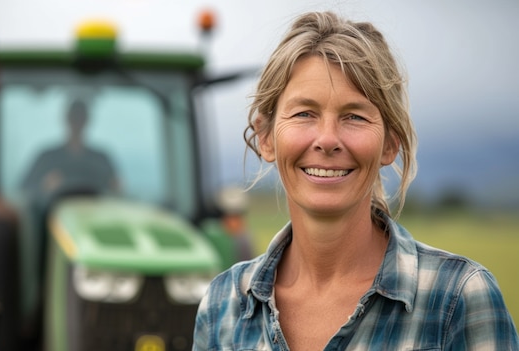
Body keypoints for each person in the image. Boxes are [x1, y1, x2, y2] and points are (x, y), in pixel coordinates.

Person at [192, 11, 519, 351]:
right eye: (304, 113)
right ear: (266, 137)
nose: (328, 139)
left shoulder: (458, 300)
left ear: (390, 142)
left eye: (354, 116)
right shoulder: (223, 305)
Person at [21, 99, 119, 205]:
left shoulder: (102, 159)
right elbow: (23, 191)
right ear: (67, 119)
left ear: (87, 120)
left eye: (81, 117)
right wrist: (43, 187)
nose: (77, 122)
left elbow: (116, 191)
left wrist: (116, 188)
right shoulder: (46, 158)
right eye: (74, 117)